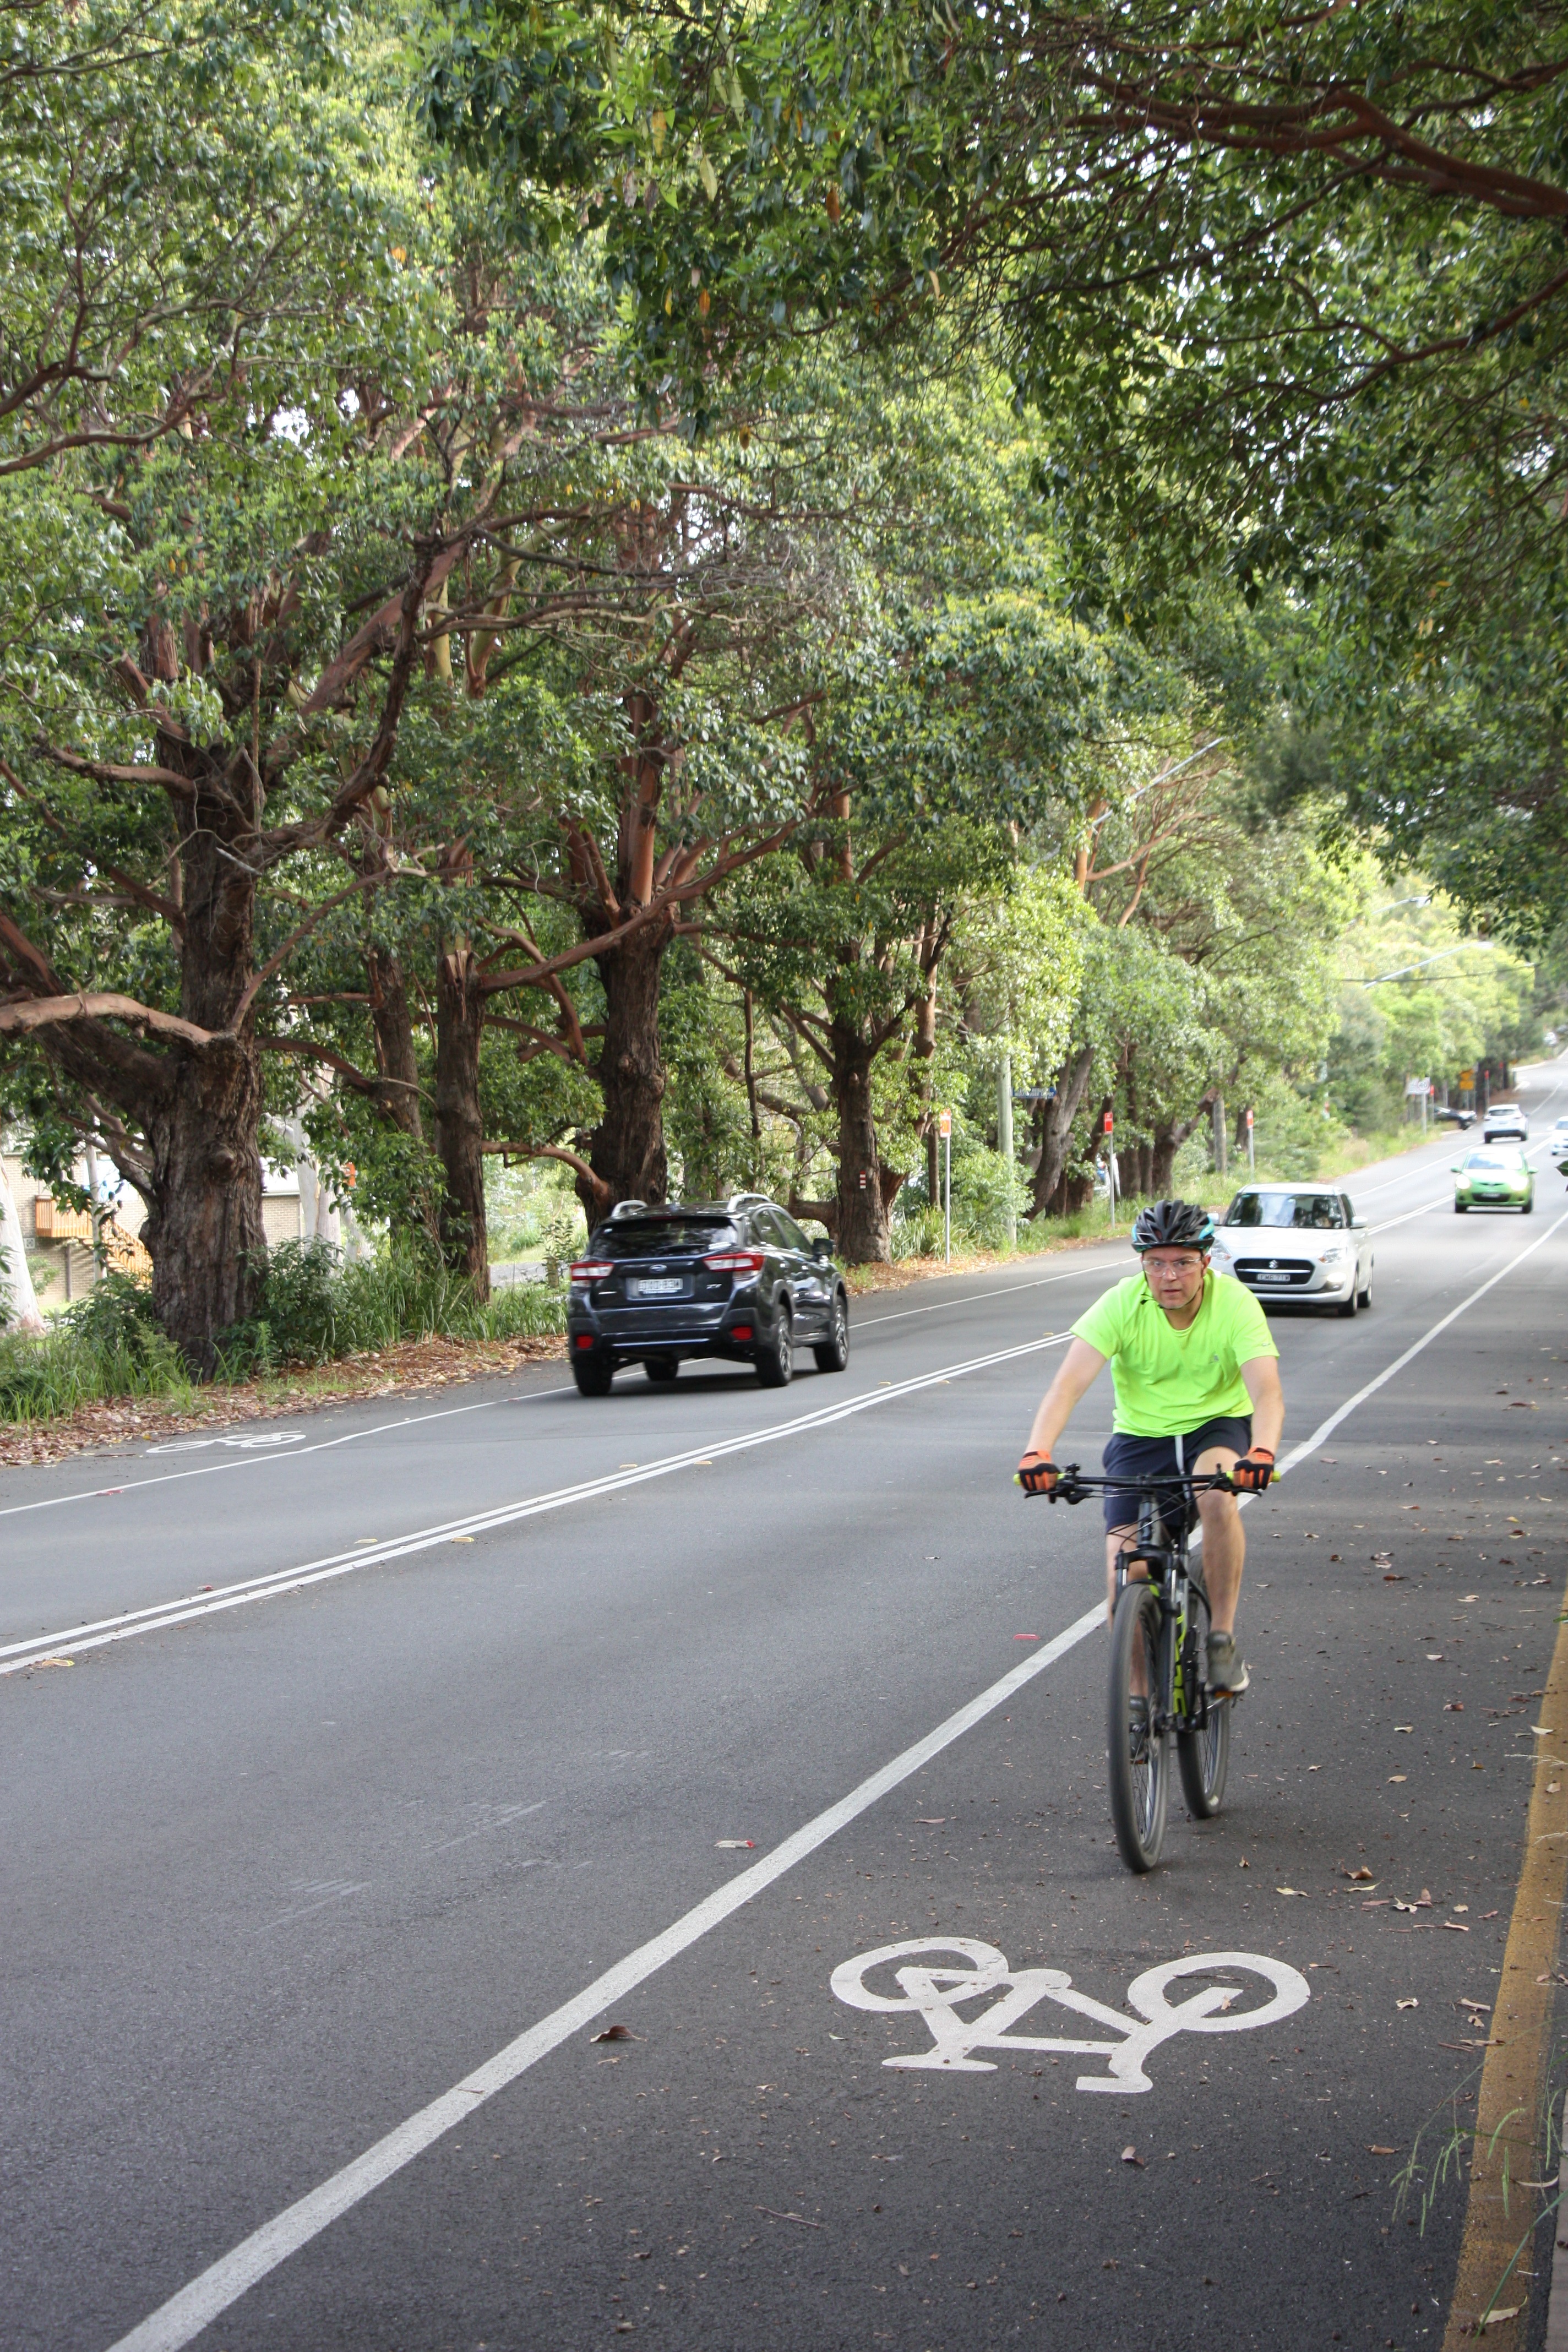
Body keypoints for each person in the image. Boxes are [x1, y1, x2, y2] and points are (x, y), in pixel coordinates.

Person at [1015, 1197, 1283, 1696]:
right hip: (1140, 1441)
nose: (1169, 1277)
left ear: (1206, 1260)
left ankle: (1222, 1638)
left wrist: (1262, 1452)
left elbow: (1266, 1390)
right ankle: (1137, 1701)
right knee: (1125, 1577)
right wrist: (1038, 1452)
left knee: (1217, 1497)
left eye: (1182, 1262)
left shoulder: (1235, 1303)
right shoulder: (1123, 1302)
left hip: (1215, 1427)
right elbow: (1067, 1385)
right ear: (1142, 1265)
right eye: (1155, 1263)